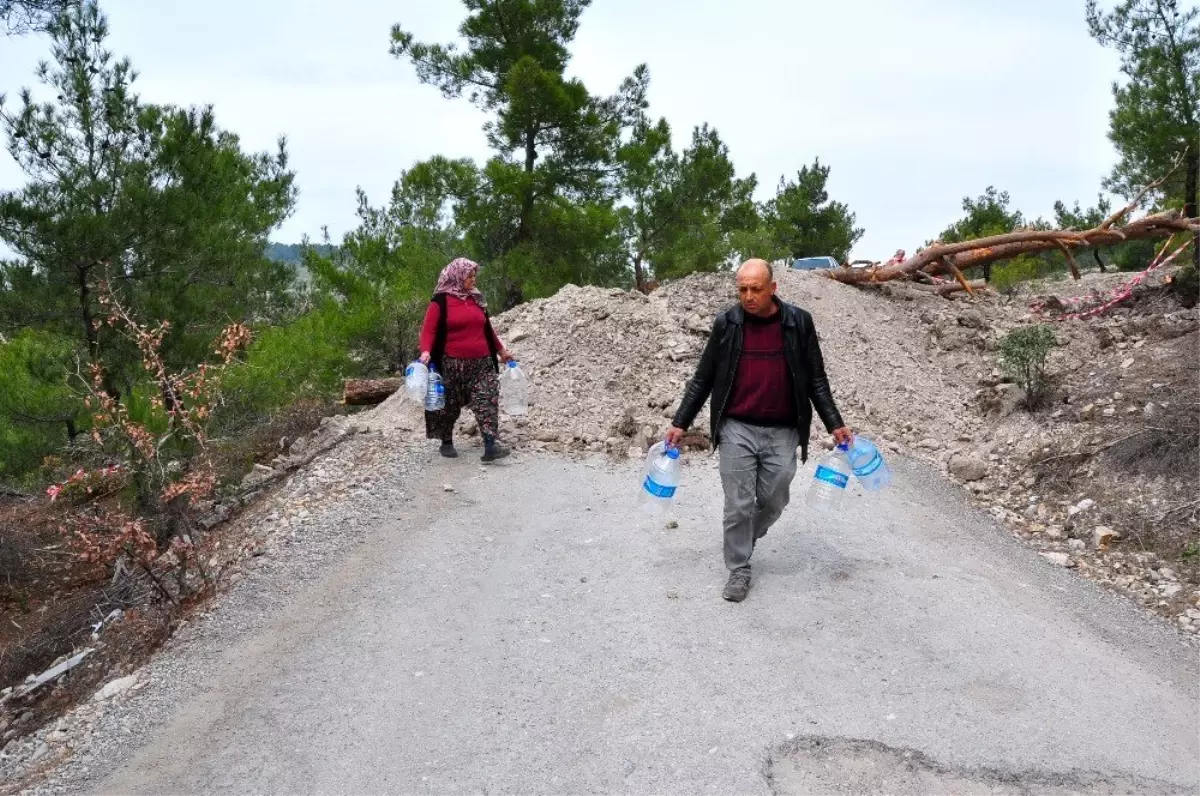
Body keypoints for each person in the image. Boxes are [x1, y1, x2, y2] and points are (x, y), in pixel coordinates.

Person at [666, 258, 853, 602]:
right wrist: (680, 422)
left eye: (756, 289)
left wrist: (835, 423)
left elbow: (815, 379)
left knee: (775, 497)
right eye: (742, 289)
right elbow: (704, 378)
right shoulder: (727, 324)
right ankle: (739, 567)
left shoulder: (799, 323)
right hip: (737, 426)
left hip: (783, 429)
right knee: (738, 504)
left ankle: (742, 535)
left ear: (773, 288)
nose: (748, 296)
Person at [418, 257, 514, 463]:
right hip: (452, 365)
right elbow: (428, 331)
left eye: (474, 276)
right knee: (449, 406)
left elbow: (487, 329)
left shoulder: (476, 300)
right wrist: (426, 352)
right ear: (457, 276)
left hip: (482, 364)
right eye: (470, 276)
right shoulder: (440, 302)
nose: (474, 280)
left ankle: (490, 445)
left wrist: (501, 351)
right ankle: (446, 440)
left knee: (487, 400)